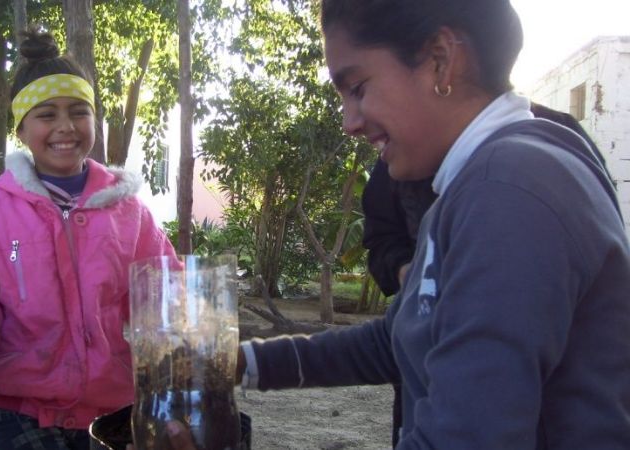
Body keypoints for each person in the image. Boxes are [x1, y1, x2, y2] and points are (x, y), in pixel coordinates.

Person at [231, 0, 630, 449]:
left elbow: (467, 438)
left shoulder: (510, 192)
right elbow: (398, 337)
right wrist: (240, 363)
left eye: (358, 88)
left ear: (441, 59)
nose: (349, 123)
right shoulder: (469, 189)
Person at [0, 27, 176, 450]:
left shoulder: (130, 213)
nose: (65, 126)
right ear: (22, 129)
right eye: (47, 115)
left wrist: (179, 328)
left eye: (79, 111)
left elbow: (164, 290)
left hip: (113, 406)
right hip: (20, 405)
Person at [362, 102, 610, 447]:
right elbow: (380, 239)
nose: (353, 122)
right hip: (430, 354)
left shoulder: (556, 133)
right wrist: (414, 276)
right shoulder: (405, 150)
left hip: (546, 370)